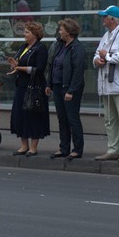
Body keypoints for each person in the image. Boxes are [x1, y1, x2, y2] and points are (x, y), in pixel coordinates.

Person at [92, 6, 119, 162]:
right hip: (107, 85)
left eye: (105, 17)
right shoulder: (106, 36)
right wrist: (97, 61)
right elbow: (97, 54)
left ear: (112, 19)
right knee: (110, 120)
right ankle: (113, 149)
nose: (103, 19)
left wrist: (106, 56)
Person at [7, 21, 50, 156]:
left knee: (33, 114)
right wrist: (15, 66)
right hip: (21, 85)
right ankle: (23, 145)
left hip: (34, 86)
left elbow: (39, 69)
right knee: (20, 115)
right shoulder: (23, 47)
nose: (24, 34)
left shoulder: (40, 48)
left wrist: (22, 68)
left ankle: (33, 147)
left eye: (27, 32)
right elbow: (18, 62)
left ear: (35, 34)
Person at [45, 19, 86, 159]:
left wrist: (71, 91)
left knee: (72, 118)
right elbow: (53, 65)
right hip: (57, 87)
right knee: (62, 119)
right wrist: (49, 84)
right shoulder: (60, 45)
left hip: (69, 89)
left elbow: (78, 72)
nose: (59, 31)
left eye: (61, 29)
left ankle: (77, 149)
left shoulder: (77, 48)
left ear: (69, 32)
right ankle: (64, 148)